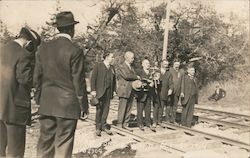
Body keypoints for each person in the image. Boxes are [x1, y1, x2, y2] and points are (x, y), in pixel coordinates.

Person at [34, 11, 89, 158]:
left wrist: (38, 100)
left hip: (47, 104)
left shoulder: (42, 48)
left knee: (45, 144)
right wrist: (83, 106)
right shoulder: (75, 50)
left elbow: (37, 78)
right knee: (63, 146)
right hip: (67, 106)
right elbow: (78, 81)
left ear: (58, 28)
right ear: (72, 29)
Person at [0, 27, 41, 157]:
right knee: (15, 152)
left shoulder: (1, 49)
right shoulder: (24, 54)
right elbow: (24, 79)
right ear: (29, 43)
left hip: (0, 107)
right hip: (15, 110)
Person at [90, 52, 116, 136]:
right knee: (99, 109)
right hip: (100, 91)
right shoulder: (98, 66)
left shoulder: (112, 68)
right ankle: (98, 127)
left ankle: (104, 125)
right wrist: (93, 90)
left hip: (109, 91)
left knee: (106, 109)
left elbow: (114, 80)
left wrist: (114, 90)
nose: (113, 58)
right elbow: (93, 78)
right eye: (112, 57)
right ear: (107, 57)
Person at [116, 51, 140, 130]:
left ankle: (125, 123)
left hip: (131, 90)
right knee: (122, 108)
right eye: (132, 58)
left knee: (129, 108)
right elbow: (126, 76)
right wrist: (136, 77)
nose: (133, 59)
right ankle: (119, 124)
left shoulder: (131, 67)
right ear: (127, 57)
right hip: (124, 90)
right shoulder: (121, 66)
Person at [135, 59, 155, 131]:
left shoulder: (151, 72)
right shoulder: (139, 72)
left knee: (148, 109)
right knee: (140, 109)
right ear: (142, 64)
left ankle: (148, 123)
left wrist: (153, 83)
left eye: (149, 63)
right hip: (141, 93)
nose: (148, 64)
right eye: (146, 63)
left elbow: (155, 80)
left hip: (149, 93)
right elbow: (136, 81)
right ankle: (140, 123)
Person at [157, 60, 173, 124]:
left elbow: (171, 83)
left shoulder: (169, 73)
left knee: (166, 106)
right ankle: (158, 120)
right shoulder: (157, 71)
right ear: (161, 64)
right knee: (160, 107)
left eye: (167, 64)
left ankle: (166, 120)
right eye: (165, 64)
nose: (166, 66)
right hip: (158, 92)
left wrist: (171, 89)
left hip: (165, 92)